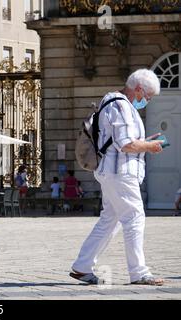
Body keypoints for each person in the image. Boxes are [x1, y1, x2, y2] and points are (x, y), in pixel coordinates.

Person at [70, 69, 165, 286]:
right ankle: (139, 272)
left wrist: (146, 142)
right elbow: (126, 145)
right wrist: (149, 146)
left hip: (113, 171)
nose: (148, 101)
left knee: (110, 220)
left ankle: (82, 266)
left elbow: (124, 141)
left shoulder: (117, 103)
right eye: (148, 96)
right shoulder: (121, 105)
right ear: (138, 89)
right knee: (134, 218)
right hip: (119, 172)